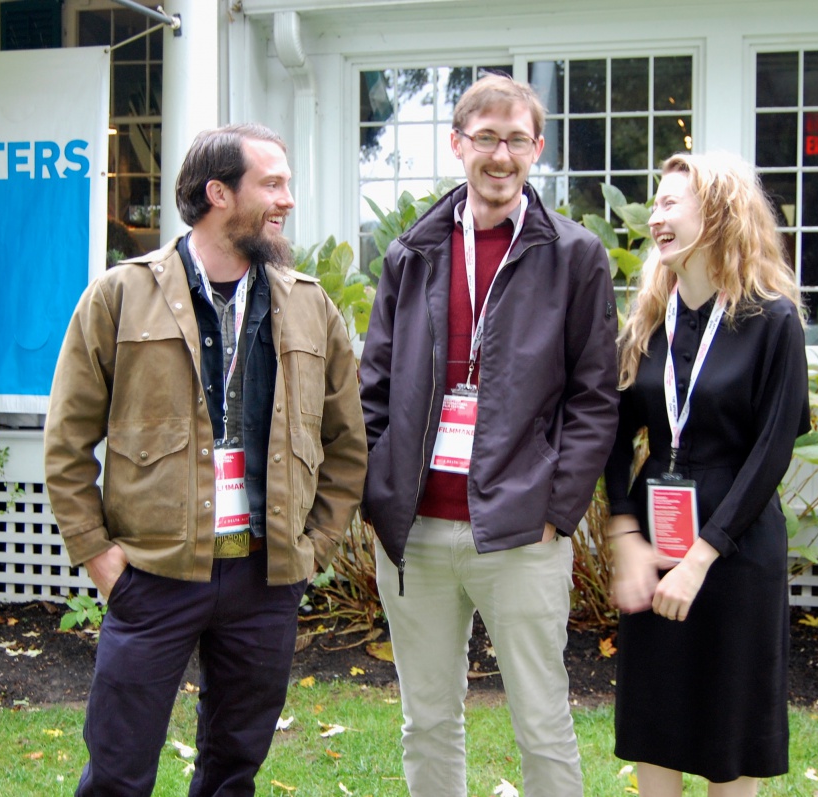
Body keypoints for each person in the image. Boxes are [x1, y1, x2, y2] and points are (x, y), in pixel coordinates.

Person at [44, 123, 367, 797]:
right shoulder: (120, 296)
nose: (288, 201)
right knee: (117, 769)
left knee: (233, 767)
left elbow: (347, 443)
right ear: (219, 193)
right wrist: (102, 559)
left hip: (265, 575)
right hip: (155, 574)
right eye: (272, 184)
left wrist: (313, 546)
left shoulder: (309, 305)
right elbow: (67, 443)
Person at [358, 73, 620, 797]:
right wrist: (382, 500)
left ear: (536, 148)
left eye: (515, 140)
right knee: (427, 720)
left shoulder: (575, 256)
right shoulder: (412, 252)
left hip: (520, 531)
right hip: (415, 533)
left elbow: (595, 397)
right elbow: (372, 386)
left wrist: (555, 510)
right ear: (458, 145)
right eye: (485, 139)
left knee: (542, 719)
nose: (499, 156)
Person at [603, 151, 810, 797]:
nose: (656, 216)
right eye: (655, 204)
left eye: (671, 203)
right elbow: (610, 437)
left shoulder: (771, 320)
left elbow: (772, 452)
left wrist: (700, 556)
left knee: (731, 729)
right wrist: (624, 534)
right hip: (656, 533)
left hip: (737, 546)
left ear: (718, 213)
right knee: (653, 717)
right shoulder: (646, 323)